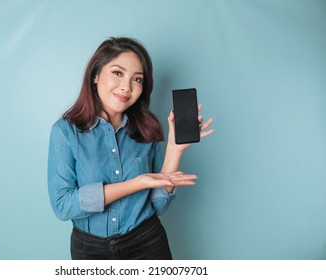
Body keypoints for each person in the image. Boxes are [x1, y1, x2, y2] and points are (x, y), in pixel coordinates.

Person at [47, 37, 214, 260]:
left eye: (137, 79)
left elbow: (158, 205)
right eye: (118, 73)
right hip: (90, 250)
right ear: (95, 76)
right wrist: (136, 184)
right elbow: (63, 206)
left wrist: (175, 150)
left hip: (147, 242)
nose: (127, 87)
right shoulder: (65, 132)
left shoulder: (147, 130)